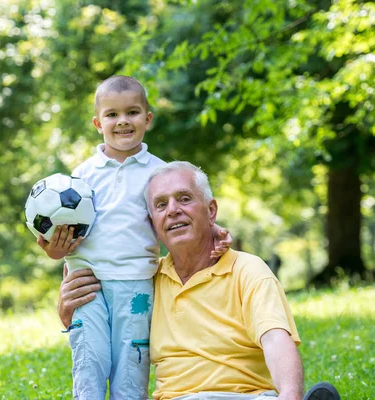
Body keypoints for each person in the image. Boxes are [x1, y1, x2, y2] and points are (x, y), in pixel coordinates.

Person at [58, 161, 341, 400]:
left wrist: (290, 397)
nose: (172, 210)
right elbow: (113, 335)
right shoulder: (145, 282)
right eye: (160, 205)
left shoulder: (247, 270)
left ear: (211, 211)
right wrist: (69, 314)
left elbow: (276, 341)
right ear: (151, 224)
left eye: (184, 199)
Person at [36, 77, 232, 399]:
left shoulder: (159, 173)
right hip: (88, 284)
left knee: (131, 367)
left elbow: (180, 214)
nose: (123, 121)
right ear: (98, 123)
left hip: (137, 285)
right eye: (112, 115)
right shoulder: (80, 177)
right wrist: (56, 252)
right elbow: (63, 238)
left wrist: (214, 231)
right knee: (90, 363)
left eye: (132, 112)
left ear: (147, 119)